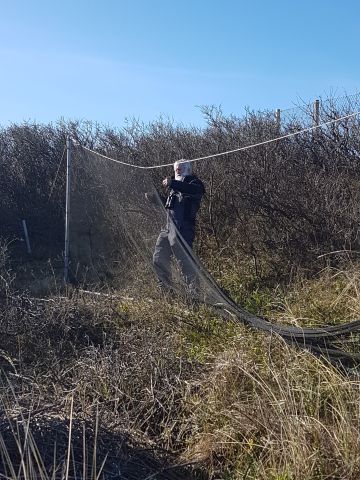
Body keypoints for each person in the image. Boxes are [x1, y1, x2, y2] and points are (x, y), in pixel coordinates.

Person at [150, 159, 205, 293]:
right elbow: (171, 207)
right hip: (168, 228)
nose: (177, 172)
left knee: (185, 262)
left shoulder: (194, 182)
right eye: (176, 170)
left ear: (187, 169)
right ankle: (165, 290)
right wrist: (156, 199)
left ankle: (194, 294)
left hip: (183, 229)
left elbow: (195, 191)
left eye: (179, 170)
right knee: (158, 257)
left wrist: (172, 183)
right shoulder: (174, 188)